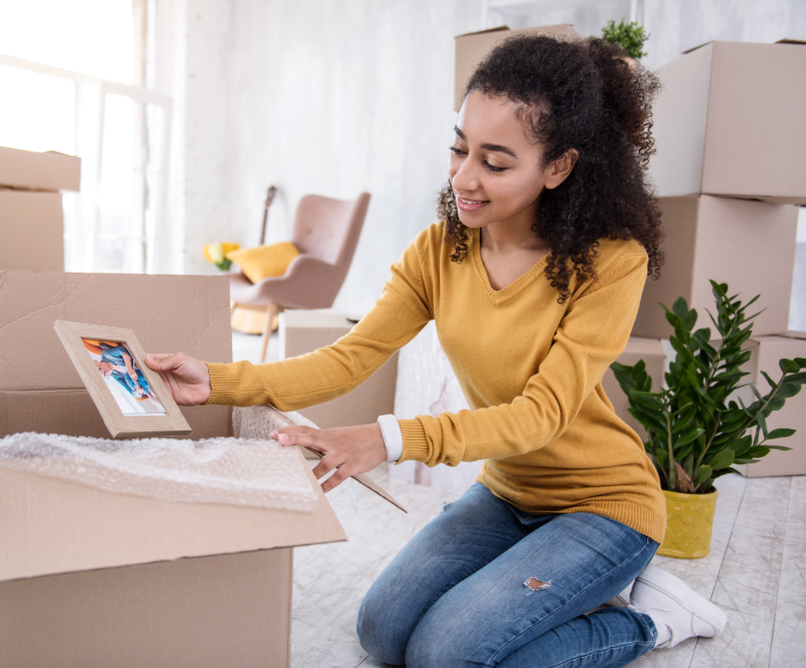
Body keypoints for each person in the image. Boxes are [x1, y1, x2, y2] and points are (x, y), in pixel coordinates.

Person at [147, 35, 727, 668]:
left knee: (446, 656)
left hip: (603, 505)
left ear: (558, 167)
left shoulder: (611, 263)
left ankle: (652, 621)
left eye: (495, 163)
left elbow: (542, 416)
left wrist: (388, 438)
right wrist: (219, 380)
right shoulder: (439, 250)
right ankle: (555, 590)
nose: (463, 178)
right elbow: (350, 357)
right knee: (383, 631)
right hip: (508, 494)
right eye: (459, 148)